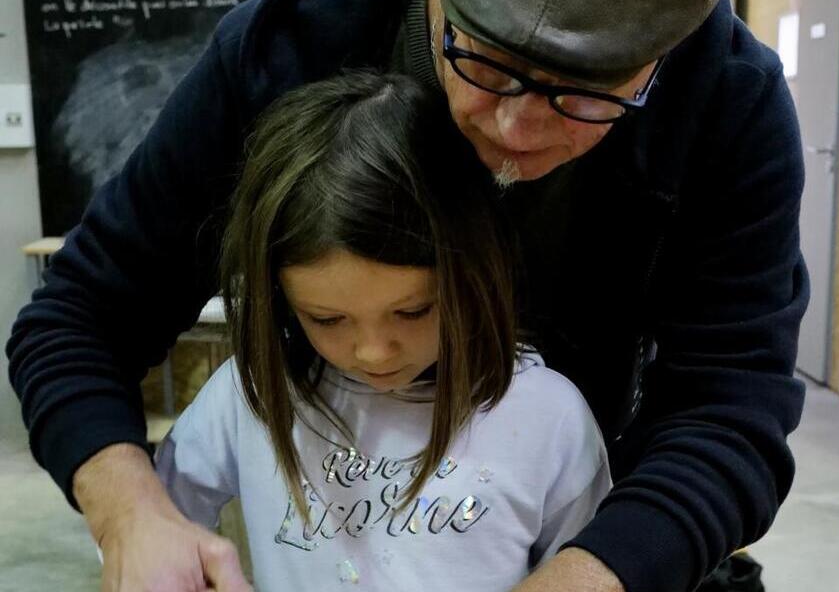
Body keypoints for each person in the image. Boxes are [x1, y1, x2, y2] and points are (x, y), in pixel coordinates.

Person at [7, 0, 809, 591]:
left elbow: (730, 412)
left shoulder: (730, 100)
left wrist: (596, 570)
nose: (514, 131)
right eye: (486, 65)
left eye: (585, 94)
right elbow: (77, 320)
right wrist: (130, 515)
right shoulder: (285, 46)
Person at [153, 71, 611, 590]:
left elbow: (589, 569)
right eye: (326, 319)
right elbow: (154, 526)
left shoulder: (548, 417)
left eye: (413, 312)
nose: (373, 353)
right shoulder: (248, 393)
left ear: (474, 273)